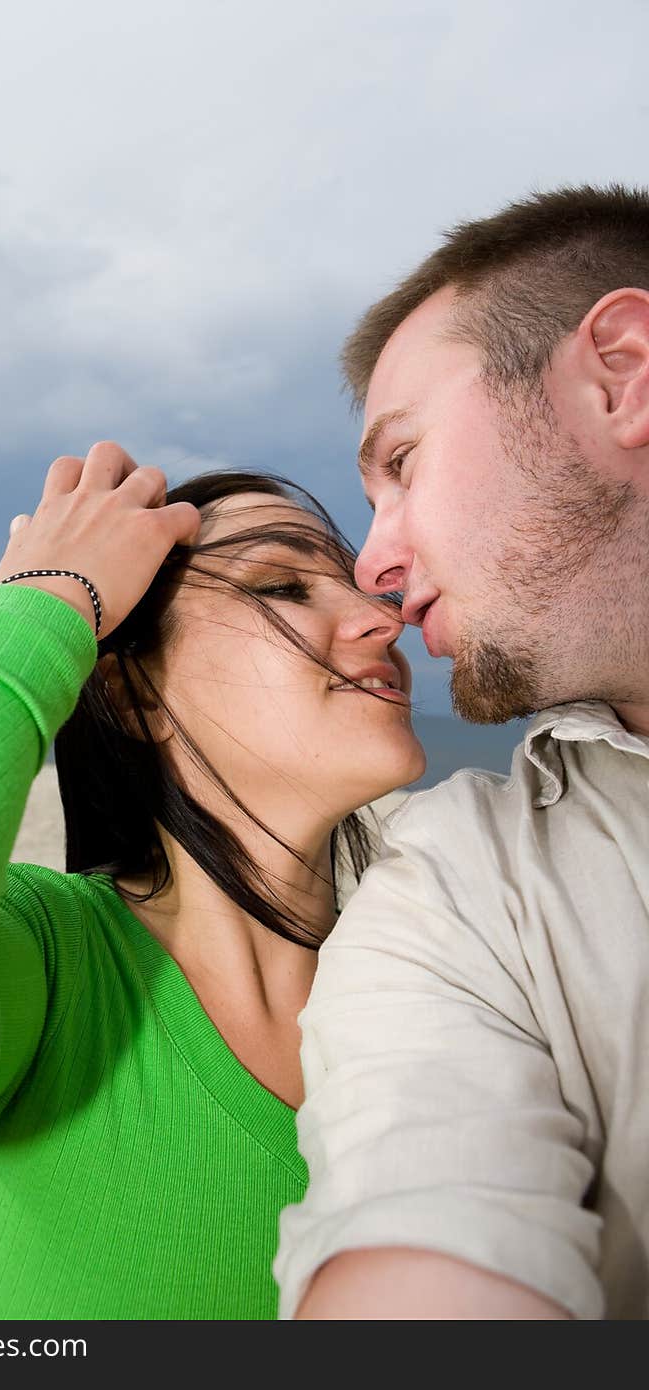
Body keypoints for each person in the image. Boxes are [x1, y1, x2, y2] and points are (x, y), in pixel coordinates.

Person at [0, 442, 425, 1320]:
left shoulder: (446, 980)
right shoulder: (47, 959)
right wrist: (44, 602)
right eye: (283, 585)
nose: (385, 618)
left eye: (361, 584)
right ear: (132, 698)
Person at [273, 183, 649, 1321]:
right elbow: (419, 1204)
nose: (374, 570)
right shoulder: (466, 887)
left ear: (623, 372)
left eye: (400, 461)